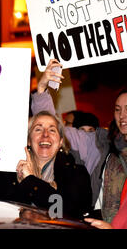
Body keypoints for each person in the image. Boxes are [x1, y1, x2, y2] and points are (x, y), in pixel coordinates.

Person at [32, 59, 127, 222]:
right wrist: (42, 91)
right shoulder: (101, 142)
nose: (122, 115)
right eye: (117, 110)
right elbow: (55, 131)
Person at [14, 110, 92, 219]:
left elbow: (65, 210)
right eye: (38, 129)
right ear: (29, 141)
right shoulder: (12, 171)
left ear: (60, 141)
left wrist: (30, 180)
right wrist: (19, 184)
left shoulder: (77, 173)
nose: (45, 134)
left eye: (52, 130)